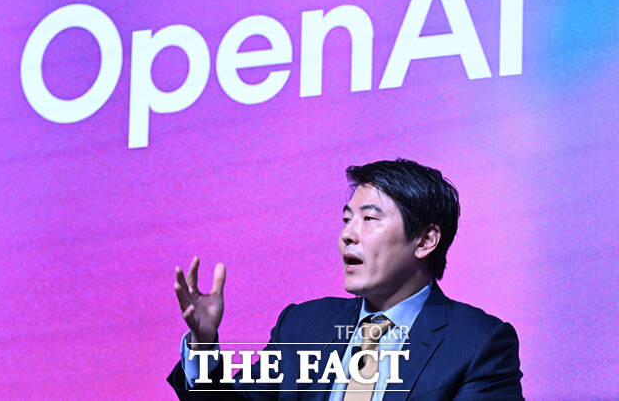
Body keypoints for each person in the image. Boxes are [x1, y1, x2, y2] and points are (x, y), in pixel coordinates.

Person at [167, 159, 524, 400]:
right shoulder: (302, 325)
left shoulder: (479, 343)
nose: (348, 235)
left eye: (369, 219)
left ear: (425, 240)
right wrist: (204, 343)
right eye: (346, 220)